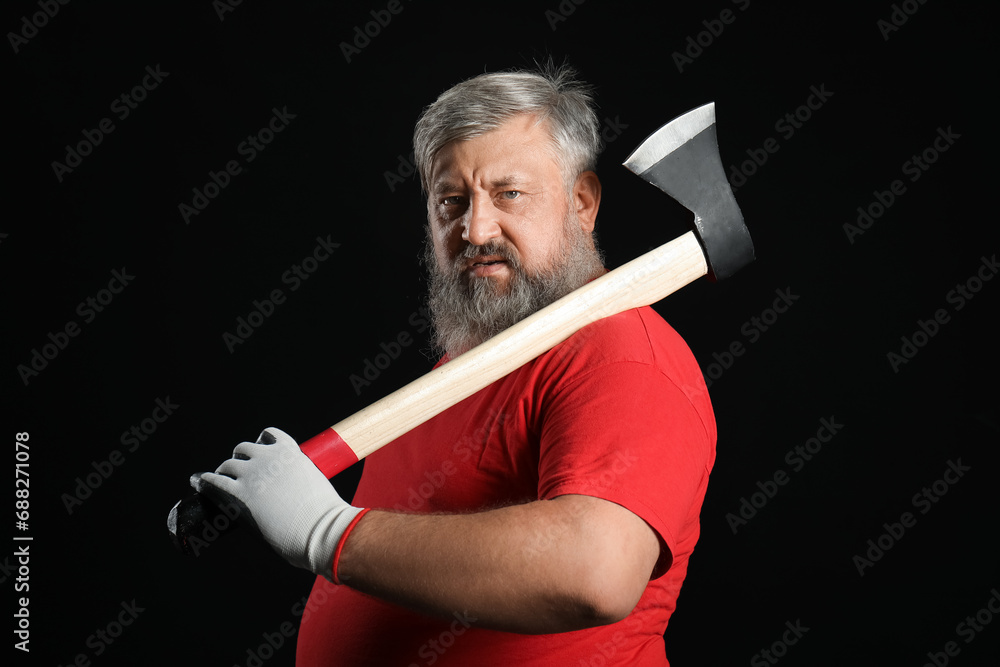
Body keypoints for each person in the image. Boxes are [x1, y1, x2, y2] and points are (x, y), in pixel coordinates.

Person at [195, 62, 717, 666]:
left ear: (582, 202)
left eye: (508, 194)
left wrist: (327, 530)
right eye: (451, 201)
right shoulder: (463, 369)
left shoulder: (621, 357)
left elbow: (594, 572)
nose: (475, 228)